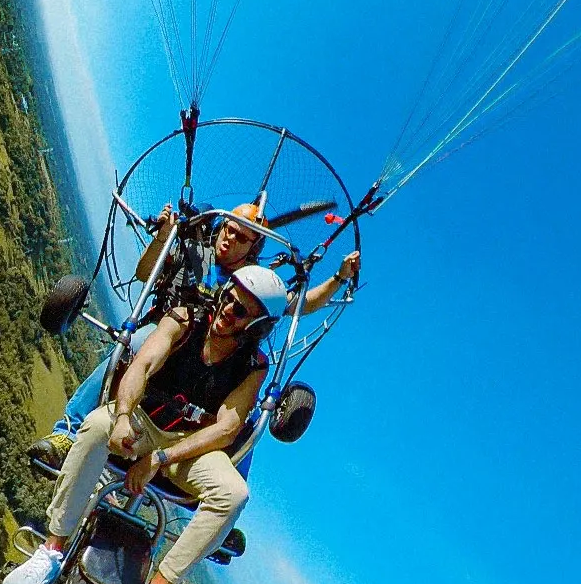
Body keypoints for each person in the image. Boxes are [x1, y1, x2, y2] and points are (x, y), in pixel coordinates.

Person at [2, 261, 288, 584]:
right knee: (98, 425)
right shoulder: (186, 319)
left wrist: (163, 458)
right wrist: (121, 417)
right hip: (144, 422)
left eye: (241, 310)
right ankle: (52, 549)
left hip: (184, 451)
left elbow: (228, 425)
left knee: (234, 492)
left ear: (258, 326)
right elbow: (143, 364)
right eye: (228, 297)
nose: (227, 309)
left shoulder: (253, 365)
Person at [33, 199, 358, 473]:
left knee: (250, 416)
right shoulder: (194, 253)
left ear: (252, 248)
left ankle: (225, 506)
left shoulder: (252, 282)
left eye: (242, 237)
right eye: (230, 229)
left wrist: (338, 278)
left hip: (214, 356)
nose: (230, 238)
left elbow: (299, 304)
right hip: (170, 333)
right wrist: (163, 238)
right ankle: (68, 432)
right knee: (130, 343)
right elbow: (145, 273)